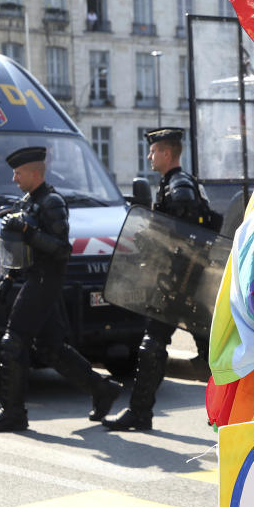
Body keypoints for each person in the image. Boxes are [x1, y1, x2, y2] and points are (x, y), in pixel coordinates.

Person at [0, 146, 123, 432]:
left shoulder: (52, 202)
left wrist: (28, 230)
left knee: (12, 341)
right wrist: (9, 277)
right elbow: (22, 249)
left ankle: (13, 412)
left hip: (46, 280)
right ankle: (102, 390)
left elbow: (61, 249)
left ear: (34, 173)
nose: (14, 179)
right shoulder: (29, 200)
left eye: (18, 173)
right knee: (51, 349)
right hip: (35, 278)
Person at [103, 127, 218, 431]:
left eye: (154, 151)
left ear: (167, 153)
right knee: (211, 350)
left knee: (152, 345)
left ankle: (140, 413)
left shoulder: (180, 187)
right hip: (182, 280)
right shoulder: (174, 184)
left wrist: (155, 240)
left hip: (180, 282)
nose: (150, 156)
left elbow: (185, 236)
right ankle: (234, 411)